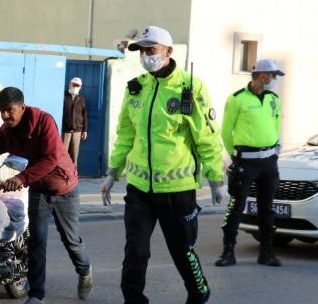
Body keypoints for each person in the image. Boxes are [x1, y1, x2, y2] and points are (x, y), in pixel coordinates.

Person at [100, 25, 224, 304]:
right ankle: (133, 300)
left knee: (182, 250)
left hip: (177, 191)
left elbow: (206, 137)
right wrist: (112, 173)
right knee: (136, 251)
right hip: (139, 189)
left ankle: (198, 292)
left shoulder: (190, 87)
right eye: (142, 50)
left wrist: (216, 181)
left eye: (151, 50)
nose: (145, 56)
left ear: (168, 51)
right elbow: (126, 135)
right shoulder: (136, 88)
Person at [0, 87, 92, 304]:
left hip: (64, 188)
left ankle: (84, 270)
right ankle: (36, 295)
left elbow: (51, 158)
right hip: (39, 189)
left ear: (22, 107)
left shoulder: (44, 122)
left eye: (10, 110)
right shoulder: (6, 132)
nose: (6, 116)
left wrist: (21, 178)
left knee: (71, 241)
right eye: (2, 111)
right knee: (36, 241)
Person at [214, 59, 284, 268]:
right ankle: (228, 252)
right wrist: (234, 157)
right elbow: (226, 131)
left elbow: (276, 123)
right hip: (246, 161)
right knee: (236, 206)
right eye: (273, 76)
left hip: (269, 162)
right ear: (263, 76)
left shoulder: (274, 99)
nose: (275, 80)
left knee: (267, 208)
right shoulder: (237, 99)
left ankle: (267, 253)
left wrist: (275, 149)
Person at [62, 77, 88, 165]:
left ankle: (73, 174)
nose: (75, 87)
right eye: (74, 85)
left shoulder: (81, 99)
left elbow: (84, 115)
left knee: (74, 155)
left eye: (78, 85)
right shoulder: (63, 96)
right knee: (62, 154)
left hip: (77, 131)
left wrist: (85, 130)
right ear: (70, 84)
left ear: (80, 87)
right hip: (65, 130)